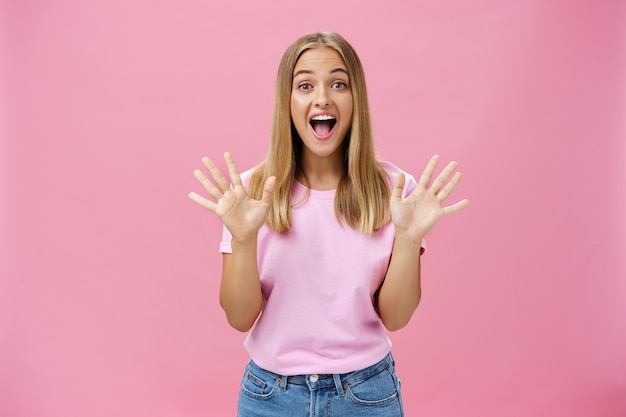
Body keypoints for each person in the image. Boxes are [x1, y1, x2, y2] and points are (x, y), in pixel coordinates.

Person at [188, 31, 469, 417]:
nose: (322, 97)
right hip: (270, 396)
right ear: (287, 102)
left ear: (356, 101)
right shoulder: (253, 192)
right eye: (305, 85)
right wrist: (242, 239)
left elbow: (396, 317)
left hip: (367, 394)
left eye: (338, 83)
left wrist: (407, 239)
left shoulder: (394, 190)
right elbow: (239, 318)